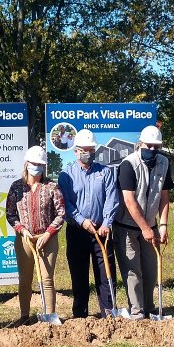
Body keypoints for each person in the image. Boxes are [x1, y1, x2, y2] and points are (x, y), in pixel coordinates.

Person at [113, 125, 173, 320]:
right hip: (127, 226)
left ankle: (149, 308)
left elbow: (164, 197)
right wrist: (145, 228)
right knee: (133, 270)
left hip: (151, 225)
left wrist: (162, 224)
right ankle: (137, 311)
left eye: (157, 146)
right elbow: (129, 200)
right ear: (141, 144)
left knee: (150, 269)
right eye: (150, 146)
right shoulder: (128, 164)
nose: (154, 150)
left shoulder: (164, 163)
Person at [58, 129, 119, 318]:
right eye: (84, 150)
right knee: (79, 275)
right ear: (76, 151)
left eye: (91, 149)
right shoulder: (66, 175)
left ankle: (109, 312)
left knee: (106, 274)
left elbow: (112, 198)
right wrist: (82, 221)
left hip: (102, 231)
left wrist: (107, 222)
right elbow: (65, 203)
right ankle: (80, 315)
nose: (88, 153)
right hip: (78, 232)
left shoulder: (105, 172)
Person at [5, 146, 66, 326]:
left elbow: (61, 213)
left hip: (47, 239)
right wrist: (22, 230)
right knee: (25, 279)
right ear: (27, 164)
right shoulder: (16, 187)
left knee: (46, 279)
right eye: (34, 164)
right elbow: (10, 214)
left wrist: (48, 233)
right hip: (25, 240)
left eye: (40, 165)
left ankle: (50, 317)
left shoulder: (52, 186)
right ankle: (24, 316)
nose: (37, 168)